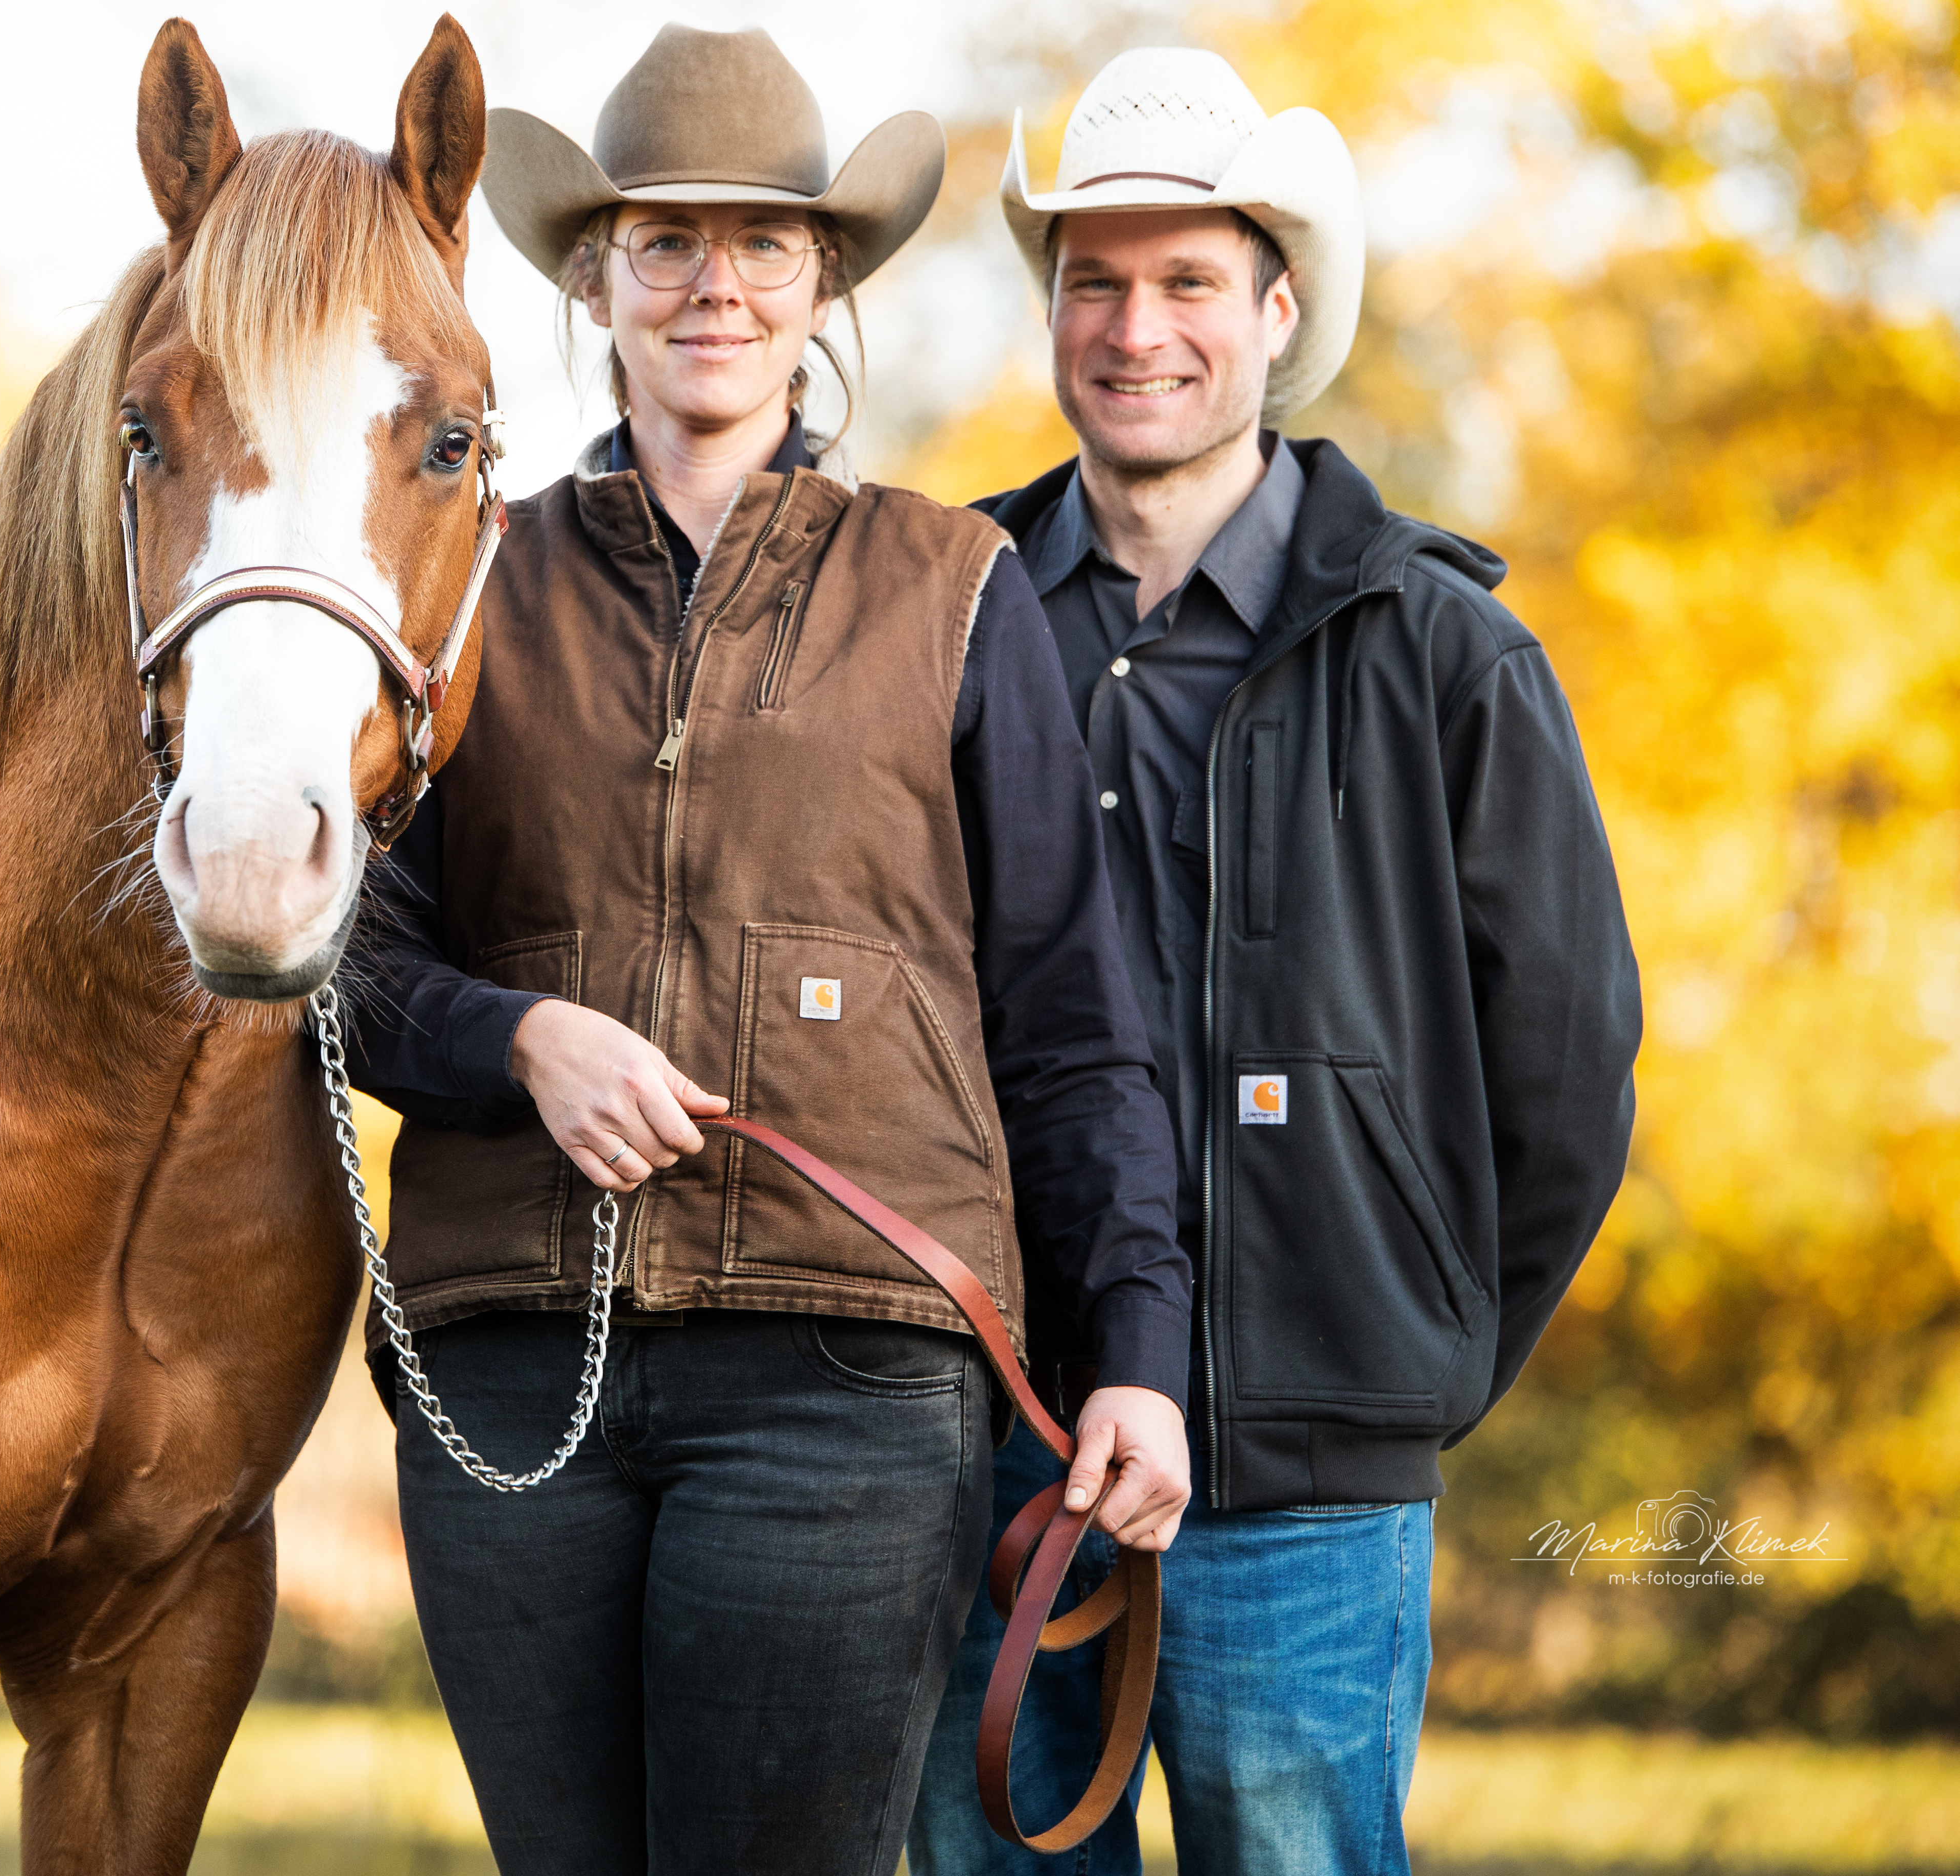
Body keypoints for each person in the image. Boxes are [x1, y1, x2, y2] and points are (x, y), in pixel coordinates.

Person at [345, 26, 1191, 1872]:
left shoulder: (954, 589)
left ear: (827, 283)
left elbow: (1070, 1021)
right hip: (511, 1365)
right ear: (594, 276)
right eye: (666, 242)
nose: (715, 285)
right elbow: (349, 962)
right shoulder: (468, 575)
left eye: (764, 244)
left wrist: (1136, 1347)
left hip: (851, 1377)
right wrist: (517, 1043)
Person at [904, 49, 1644, 1876]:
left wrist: (1409, 1358)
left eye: (1187, 282)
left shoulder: (1445, 653)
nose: (1135, 326)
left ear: (1277, 307)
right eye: (1095, 280)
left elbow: (1566, 1070)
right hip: (992, 1449)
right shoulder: (940, 614)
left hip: (1309, 1491)